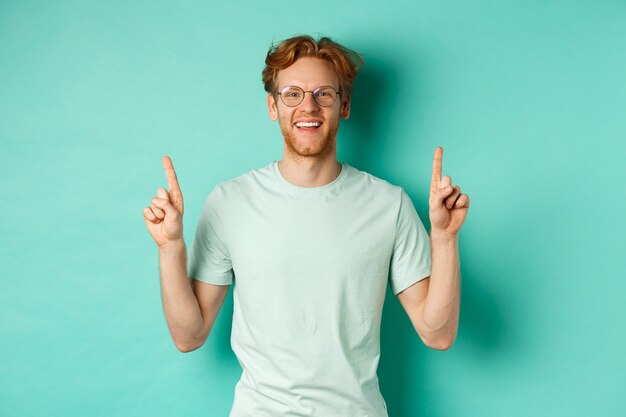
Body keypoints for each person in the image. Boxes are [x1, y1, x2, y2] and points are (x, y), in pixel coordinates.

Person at [143, 34, 469, 417]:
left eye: (323, 94)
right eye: (292, 94)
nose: (307, 106)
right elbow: (188, 335)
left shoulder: (388, 204)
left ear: (344, 105)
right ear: (273, 105)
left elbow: (439, 333)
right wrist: (169, 250)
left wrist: (445, 239)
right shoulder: (230, 202)